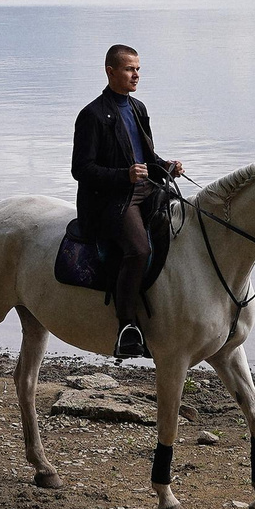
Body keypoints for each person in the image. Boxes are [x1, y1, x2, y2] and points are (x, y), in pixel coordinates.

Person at [72, 43, 184, 359]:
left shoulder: (138, 109)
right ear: (110, 72)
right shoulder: (91, 115)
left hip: (144, 189)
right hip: (110, 201)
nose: (135, 75)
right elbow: (80, 170)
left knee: (181, 227)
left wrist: (166, 167)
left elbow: (146, 157)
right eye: (129, 69)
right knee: (139, 249)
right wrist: (125, 176)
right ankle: (126, 326)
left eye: (138, 69)